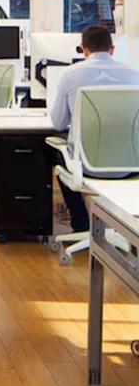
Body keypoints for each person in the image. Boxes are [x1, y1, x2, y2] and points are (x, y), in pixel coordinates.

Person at [49, 23, 139, 232]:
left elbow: (58, 123)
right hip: (129, 166)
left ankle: (80, 223)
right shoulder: (134, 76)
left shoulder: (70, 75)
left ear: (84, 49)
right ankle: (121, 227)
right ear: (112, 49)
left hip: (86, 166)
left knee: (53, 150)